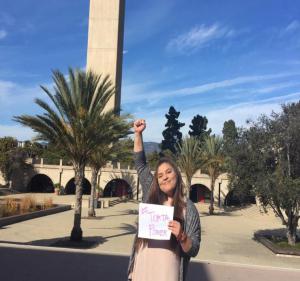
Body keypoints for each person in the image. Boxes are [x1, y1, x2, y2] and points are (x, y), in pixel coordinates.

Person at [128, 119, 201, 281]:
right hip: (141, 271)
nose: (164, 178)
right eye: (160, 176)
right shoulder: (150, 195)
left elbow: (194, 248)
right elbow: (140, 164)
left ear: (177, 174)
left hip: (167, 275)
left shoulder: (188, 209)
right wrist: (138, 134)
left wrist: (182, 236)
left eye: (168, 172)